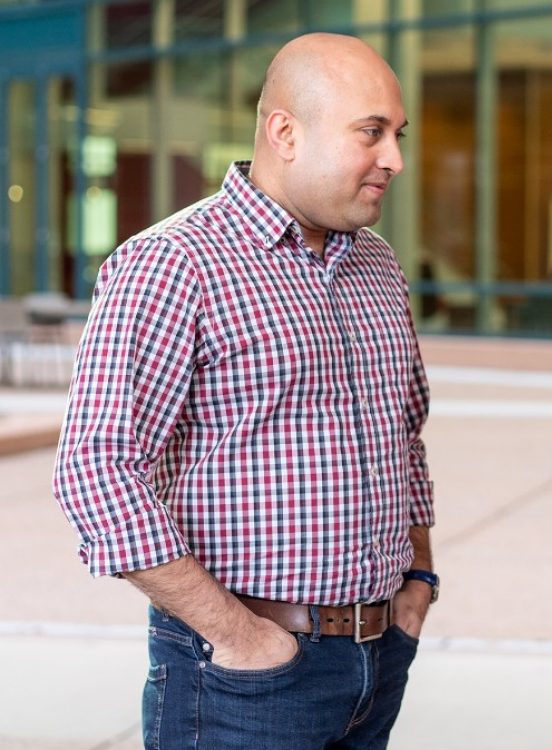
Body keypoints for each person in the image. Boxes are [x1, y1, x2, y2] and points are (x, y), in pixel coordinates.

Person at [53, 33, 438, 750]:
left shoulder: (379, 267)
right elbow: (96, 470)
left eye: (397, 134)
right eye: (372, 133)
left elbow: (403, 433)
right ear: (285, 132)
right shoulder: (172, 264)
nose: (395, 159)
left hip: (379, 660)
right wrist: (239, 636)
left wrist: (418, 580)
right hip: (244, 679)